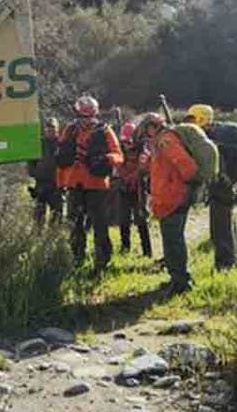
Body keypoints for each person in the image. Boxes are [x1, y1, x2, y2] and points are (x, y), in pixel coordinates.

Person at [143, 113, 215, 296]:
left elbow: (186, 166)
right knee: (173, 240)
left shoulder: (166, 140)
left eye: (147, 129)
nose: (146, 133)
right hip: (171, 197)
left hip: (173, 198)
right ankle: (177, 278)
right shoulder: (164, 140)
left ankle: (181, 283)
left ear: (152, 127)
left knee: (173, 241)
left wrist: (182, 188)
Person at [58, 95, 123, 276]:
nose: (86, 121)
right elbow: (61, 154)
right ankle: (76, 259)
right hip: (74, 184)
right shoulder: (69, 130)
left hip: (96, 185)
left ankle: (102, 261)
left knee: (99, 225)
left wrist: (105, 159)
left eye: (89, 116)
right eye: (82, 116)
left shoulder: (104, 130)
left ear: (95, 114)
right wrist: (60, 182)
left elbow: (118, 155)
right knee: (75, 225)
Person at [187, 104, 237, 271]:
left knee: (220, 230)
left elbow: (217, 166)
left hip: (223, 188)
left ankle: (225, 265)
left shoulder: (213, 139)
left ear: (200, 119)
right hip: (227, 187)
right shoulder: (221, 134)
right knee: (223, 227)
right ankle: (227, 262)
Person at [115, 121, 152, 257]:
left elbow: (145, 165)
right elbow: (117, 164)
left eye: (130, 141)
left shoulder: (143, 149)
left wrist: (134, 175)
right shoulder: (119, 150)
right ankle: (125, 248)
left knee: (141, 219)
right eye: (125, 141)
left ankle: (147, 251)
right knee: (123, 219)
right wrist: (124, 176)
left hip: (139, 189)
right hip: (123, 188)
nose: (128, 145)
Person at [27, 118, 64, 226]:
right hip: (41, 183)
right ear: (45, 129)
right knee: (39, 214)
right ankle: (38, 237)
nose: (50, 131)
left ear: (57, 130)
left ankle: (53, 236)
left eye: (53, 129)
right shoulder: (38, 143)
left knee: (57, 214)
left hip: (57, 184)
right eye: (48, 129)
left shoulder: (62, 144)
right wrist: (35, 173)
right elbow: (30, 163)